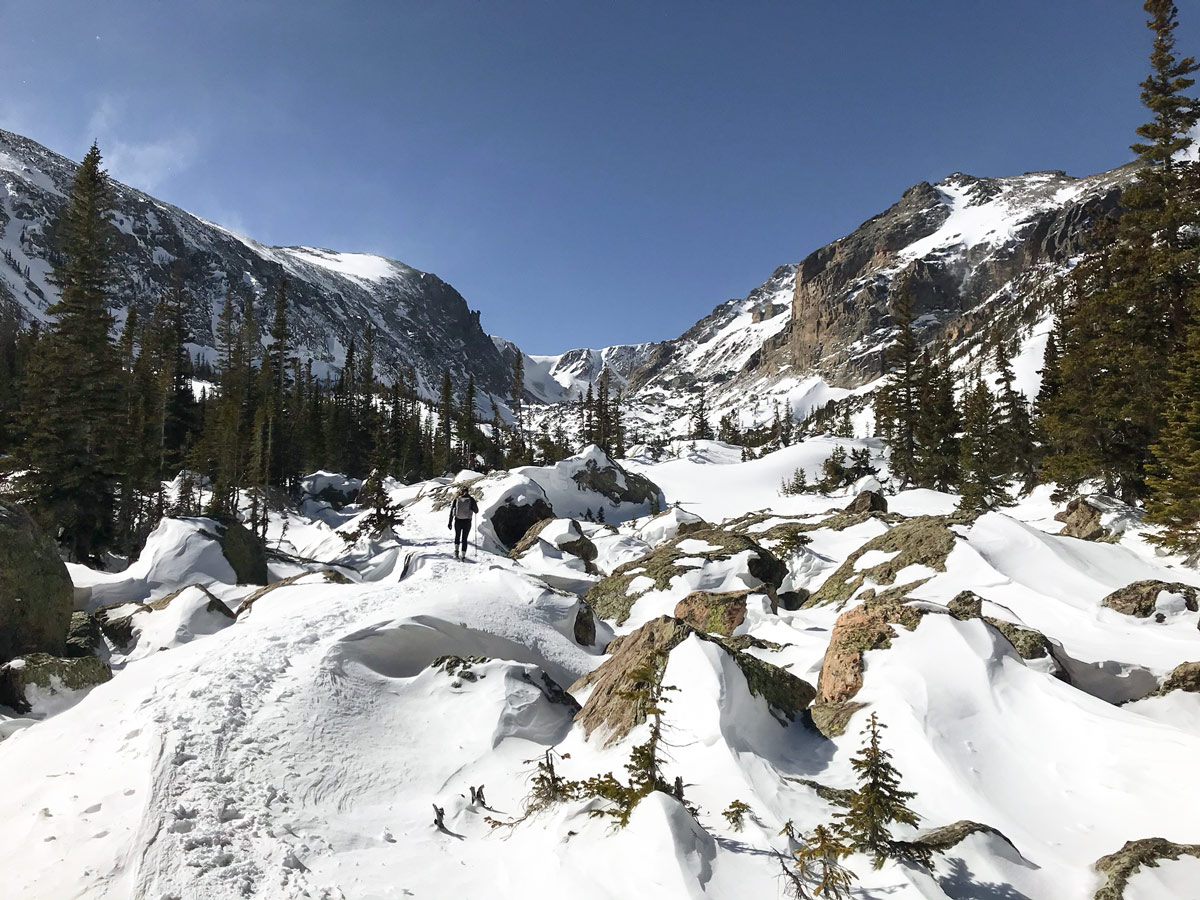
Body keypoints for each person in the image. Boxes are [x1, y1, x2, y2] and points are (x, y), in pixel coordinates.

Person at [447, 488, 479, 559]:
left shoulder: (457, 499)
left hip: (458, 521)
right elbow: (476, 511)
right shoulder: (471, 499)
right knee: (464, 538)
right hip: (467, 522)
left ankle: (456, 552)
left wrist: (450, 522)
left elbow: (452, 511)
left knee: (457, 536)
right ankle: (463, 556)